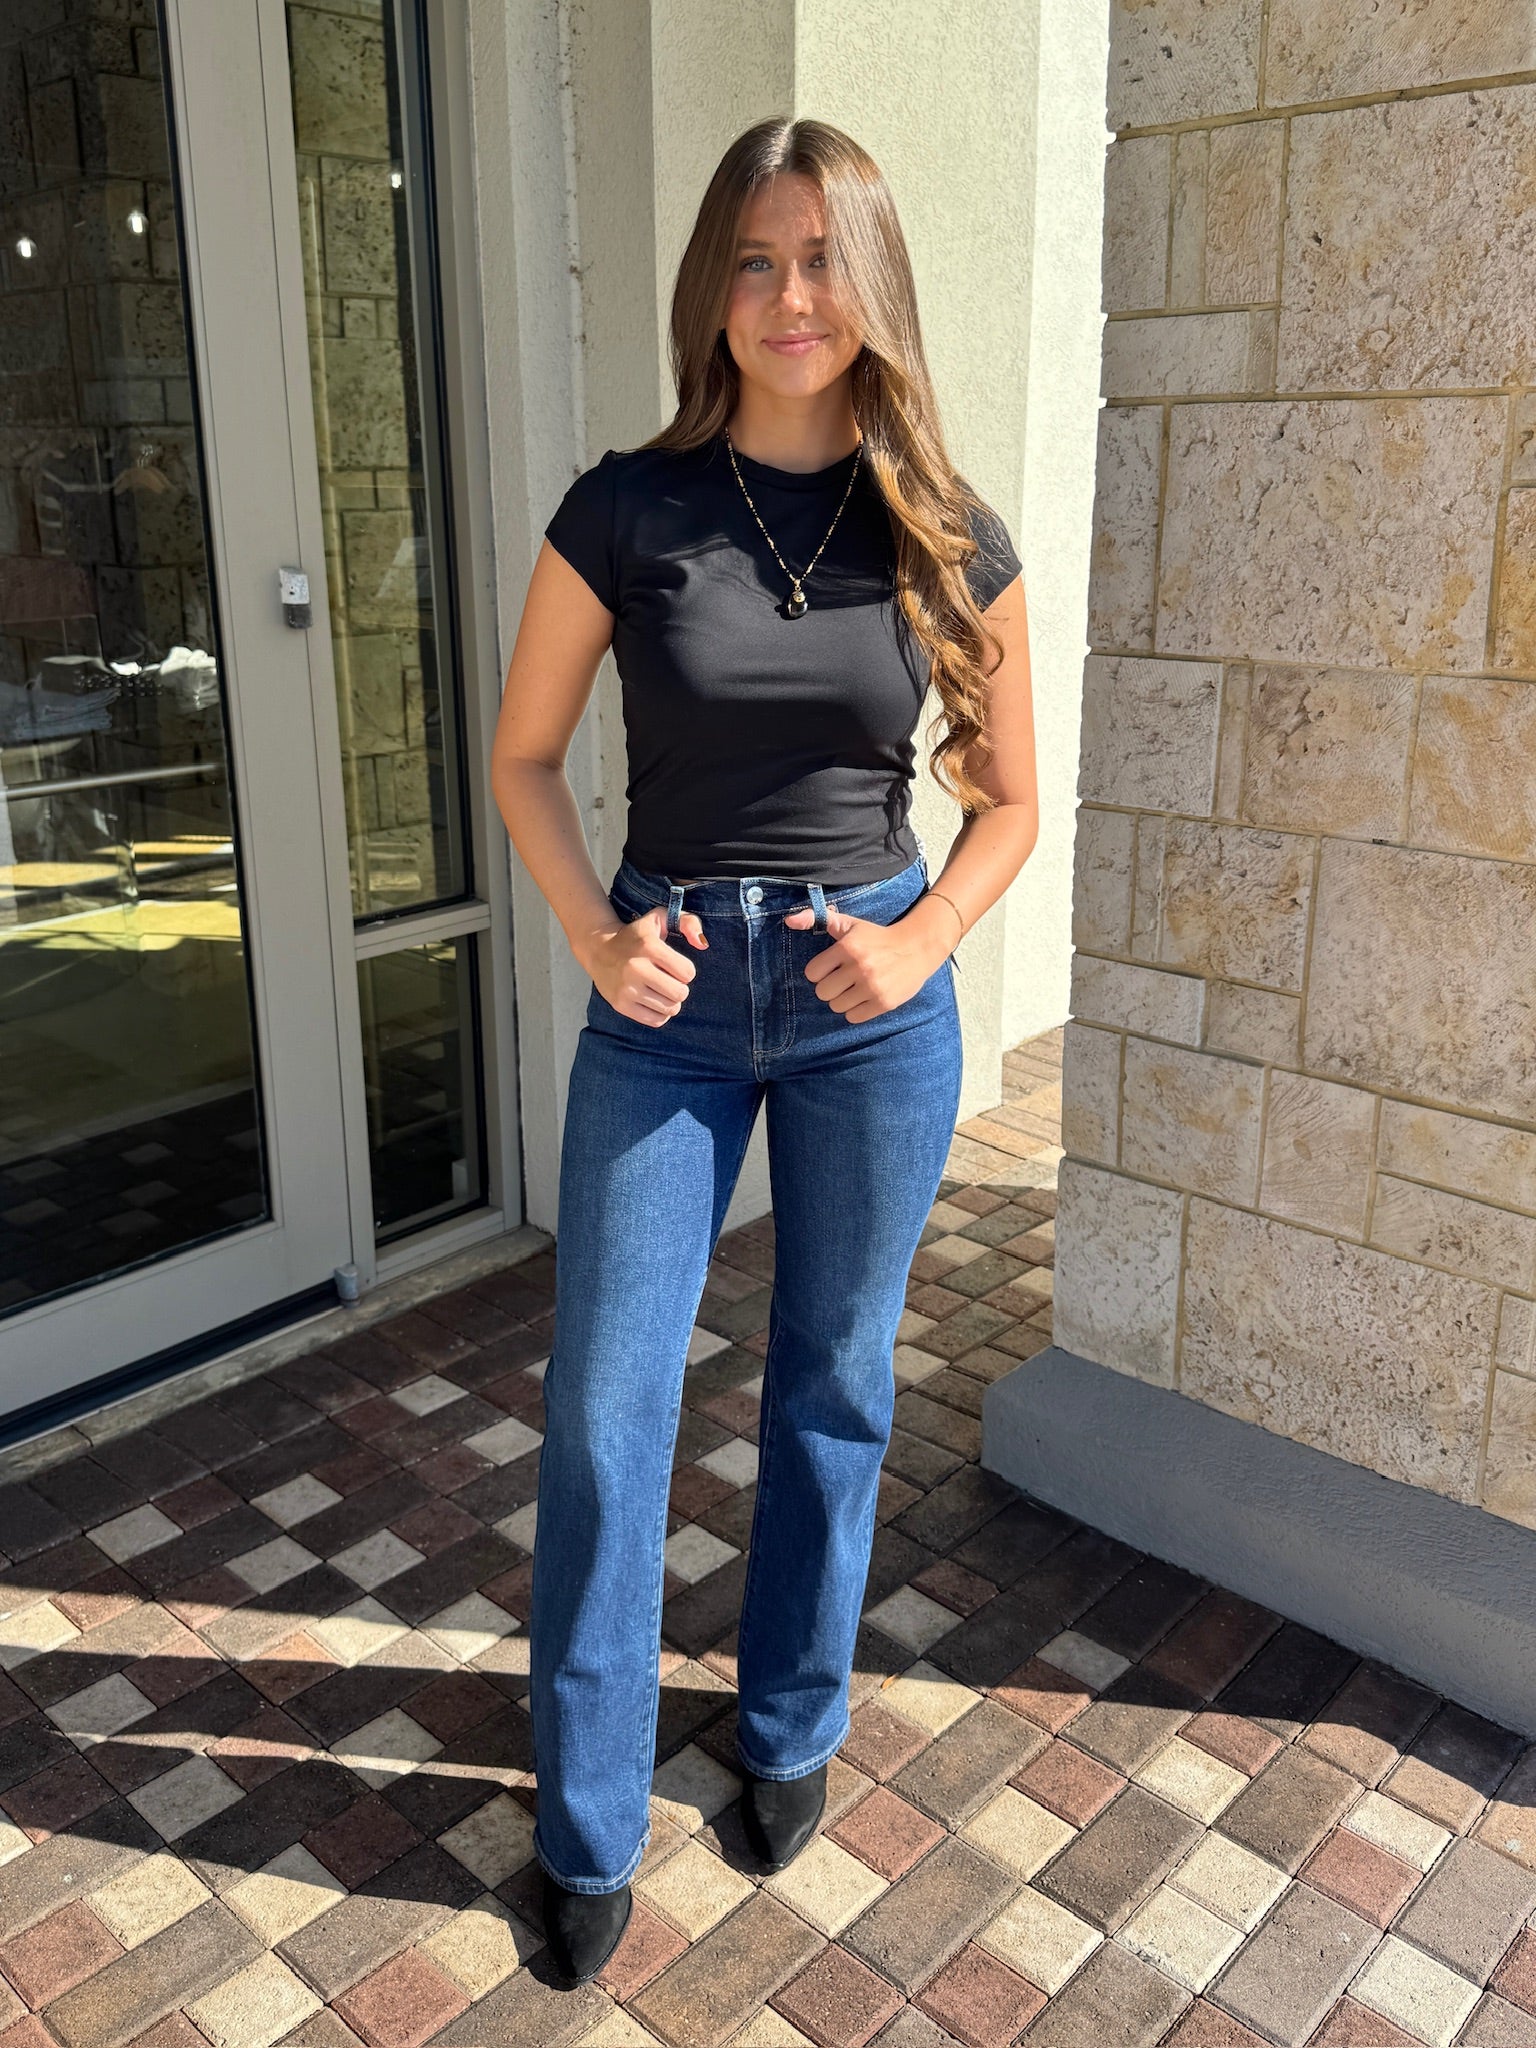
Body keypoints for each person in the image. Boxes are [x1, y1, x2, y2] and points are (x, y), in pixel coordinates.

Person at [490, 114, 1038, 1986]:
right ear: (711, 289)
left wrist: (930, 940)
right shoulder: (623, 512)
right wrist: (590, 930)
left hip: (865, 1005)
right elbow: (524, 758)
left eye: (820, 259)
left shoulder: (948, 532)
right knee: (604, 1408)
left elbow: (1010, 807)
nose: (789, 298)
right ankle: (585, 1816)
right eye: (753, 259)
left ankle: (792, 1723)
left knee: (835, 1384)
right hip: (665, 1003)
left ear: (869, 282)